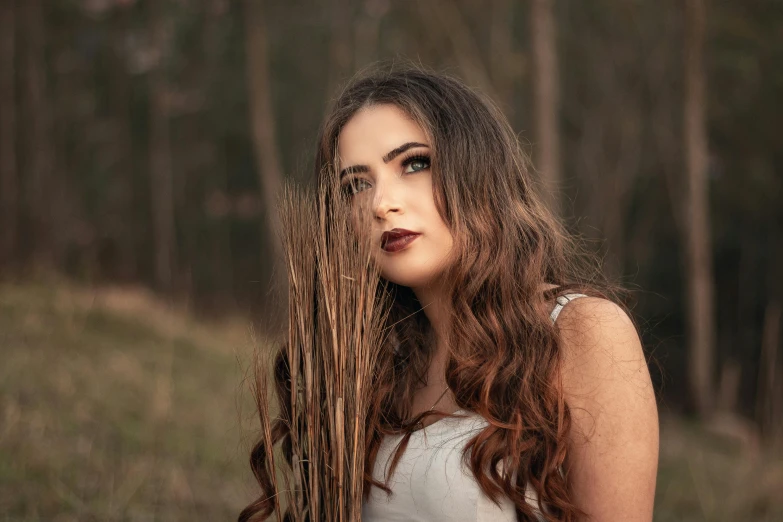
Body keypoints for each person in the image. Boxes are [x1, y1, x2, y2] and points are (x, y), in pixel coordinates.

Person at [242, 65, 659, 522]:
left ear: (477, 170)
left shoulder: (581, 331)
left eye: (414, 164)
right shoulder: (375, 366)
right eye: (356, 185)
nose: (382, 204)